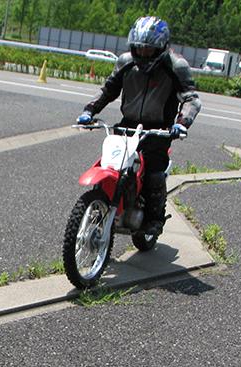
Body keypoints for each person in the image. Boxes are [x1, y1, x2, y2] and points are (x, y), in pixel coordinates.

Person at [77, 16, 201, 236]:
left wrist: (182, 123)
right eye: (139, 48)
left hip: (159, 130)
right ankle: (102, 207)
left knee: (154, 173)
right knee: (110, 164)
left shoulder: (175, 65)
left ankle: (155, 218)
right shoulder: (126, 62)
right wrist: (89, 111)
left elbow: (191, 99)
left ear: (161, 47)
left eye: (148, 50)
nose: (143, 54)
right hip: (127, 125)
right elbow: (108, 91)